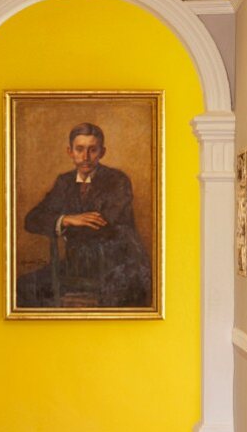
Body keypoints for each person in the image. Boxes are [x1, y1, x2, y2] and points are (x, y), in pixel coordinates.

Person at [17, 122, 151, 308]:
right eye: (79, 149)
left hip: (118, 263)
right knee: (22, 287)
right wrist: (66, 219)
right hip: (76, 264)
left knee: (119, 300)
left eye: (92, 150)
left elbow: (102, 224)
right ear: (69, 152)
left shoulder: (117, 180)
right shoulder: (64, 182)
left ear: (102, 152)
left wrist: (67, 225)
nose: (85, 157)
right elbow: (31, 220)